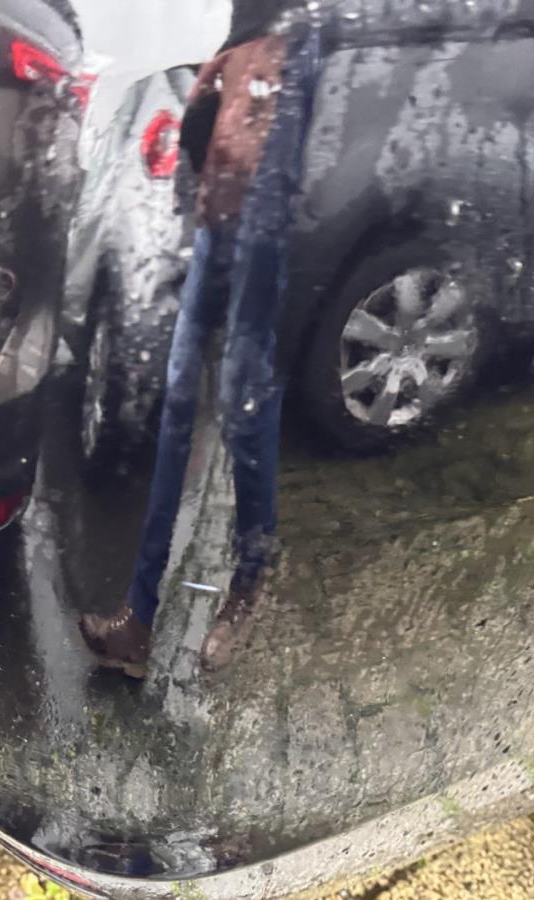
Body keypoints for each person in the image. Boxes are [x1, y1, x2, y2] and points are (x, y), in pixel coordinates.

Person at [80, 18, 324, 678]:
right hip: (218, 215)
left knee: (246, 409)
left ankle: (249, 583)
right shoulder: (251, 27)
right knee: (178, 399)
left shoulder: (312, 39)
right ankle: (138, 621)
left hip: (266, 228)